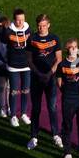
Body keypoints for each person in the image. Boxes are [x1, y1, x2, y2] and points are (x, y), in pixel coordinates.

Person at [27, 14, 63, 149]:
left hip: (50, 79)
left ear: (48, 25)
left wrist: (49, 73)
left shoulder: (54, 39)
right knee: (35, 108)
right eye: (39, 26)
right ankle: (33, 136)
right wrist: (38, 73)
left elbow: (58, 58)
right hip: (36, 78)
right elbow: (29, 59)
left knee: (52, 107)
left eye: (43, 25)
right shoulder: (32, 38)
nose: (41, 28)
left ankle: (55, 135)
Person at [58, 38, 79, 158]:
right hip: (68, 100)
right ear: (67, 49)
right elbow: (59, 82)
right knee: (67, 126)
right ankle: (67, 152)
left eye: (75, 47)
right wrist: (66, 92)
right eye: (71, 47)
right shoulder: (62, 65)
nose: (73, 49)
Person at [3, 9, 33, 126]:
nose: (20, 22)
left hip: (26, 65)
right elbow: (4, 47)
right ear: (14, 20)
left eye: (22, 19)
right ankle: (13, 115)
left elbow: (31, 46)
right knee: (14, 91)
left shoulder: (29, 30)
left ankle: (24, 113)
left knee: (26, 90)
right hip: (13, 65)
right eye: (18, 20)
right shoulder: (8, 32)